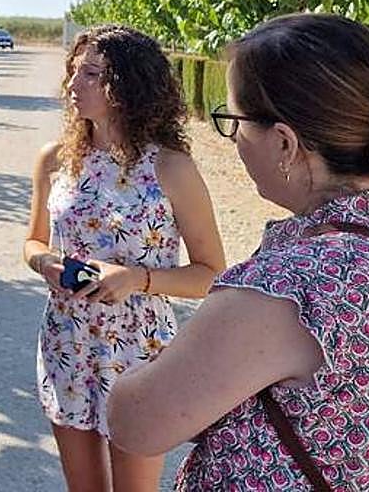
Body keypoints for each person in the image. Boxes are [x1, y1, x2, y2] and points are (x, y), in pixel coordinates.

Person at [108, 13, 369, 490]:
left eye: (234, 122)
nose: (234, 142)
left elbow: (134, 423)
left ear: (285, 142)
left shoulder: (286, 287)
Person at [23, 25, 225, 492]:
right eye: (74, 72)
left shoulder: (170, 168)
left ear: (128, 84)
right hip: (67, 341)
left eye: (92, 74)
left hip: (140, 352)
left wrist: (137, 279)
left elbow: (211, 274)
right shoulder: (54, 160)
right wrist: (45, 265)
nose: (74, 85)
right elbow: (32, 242)